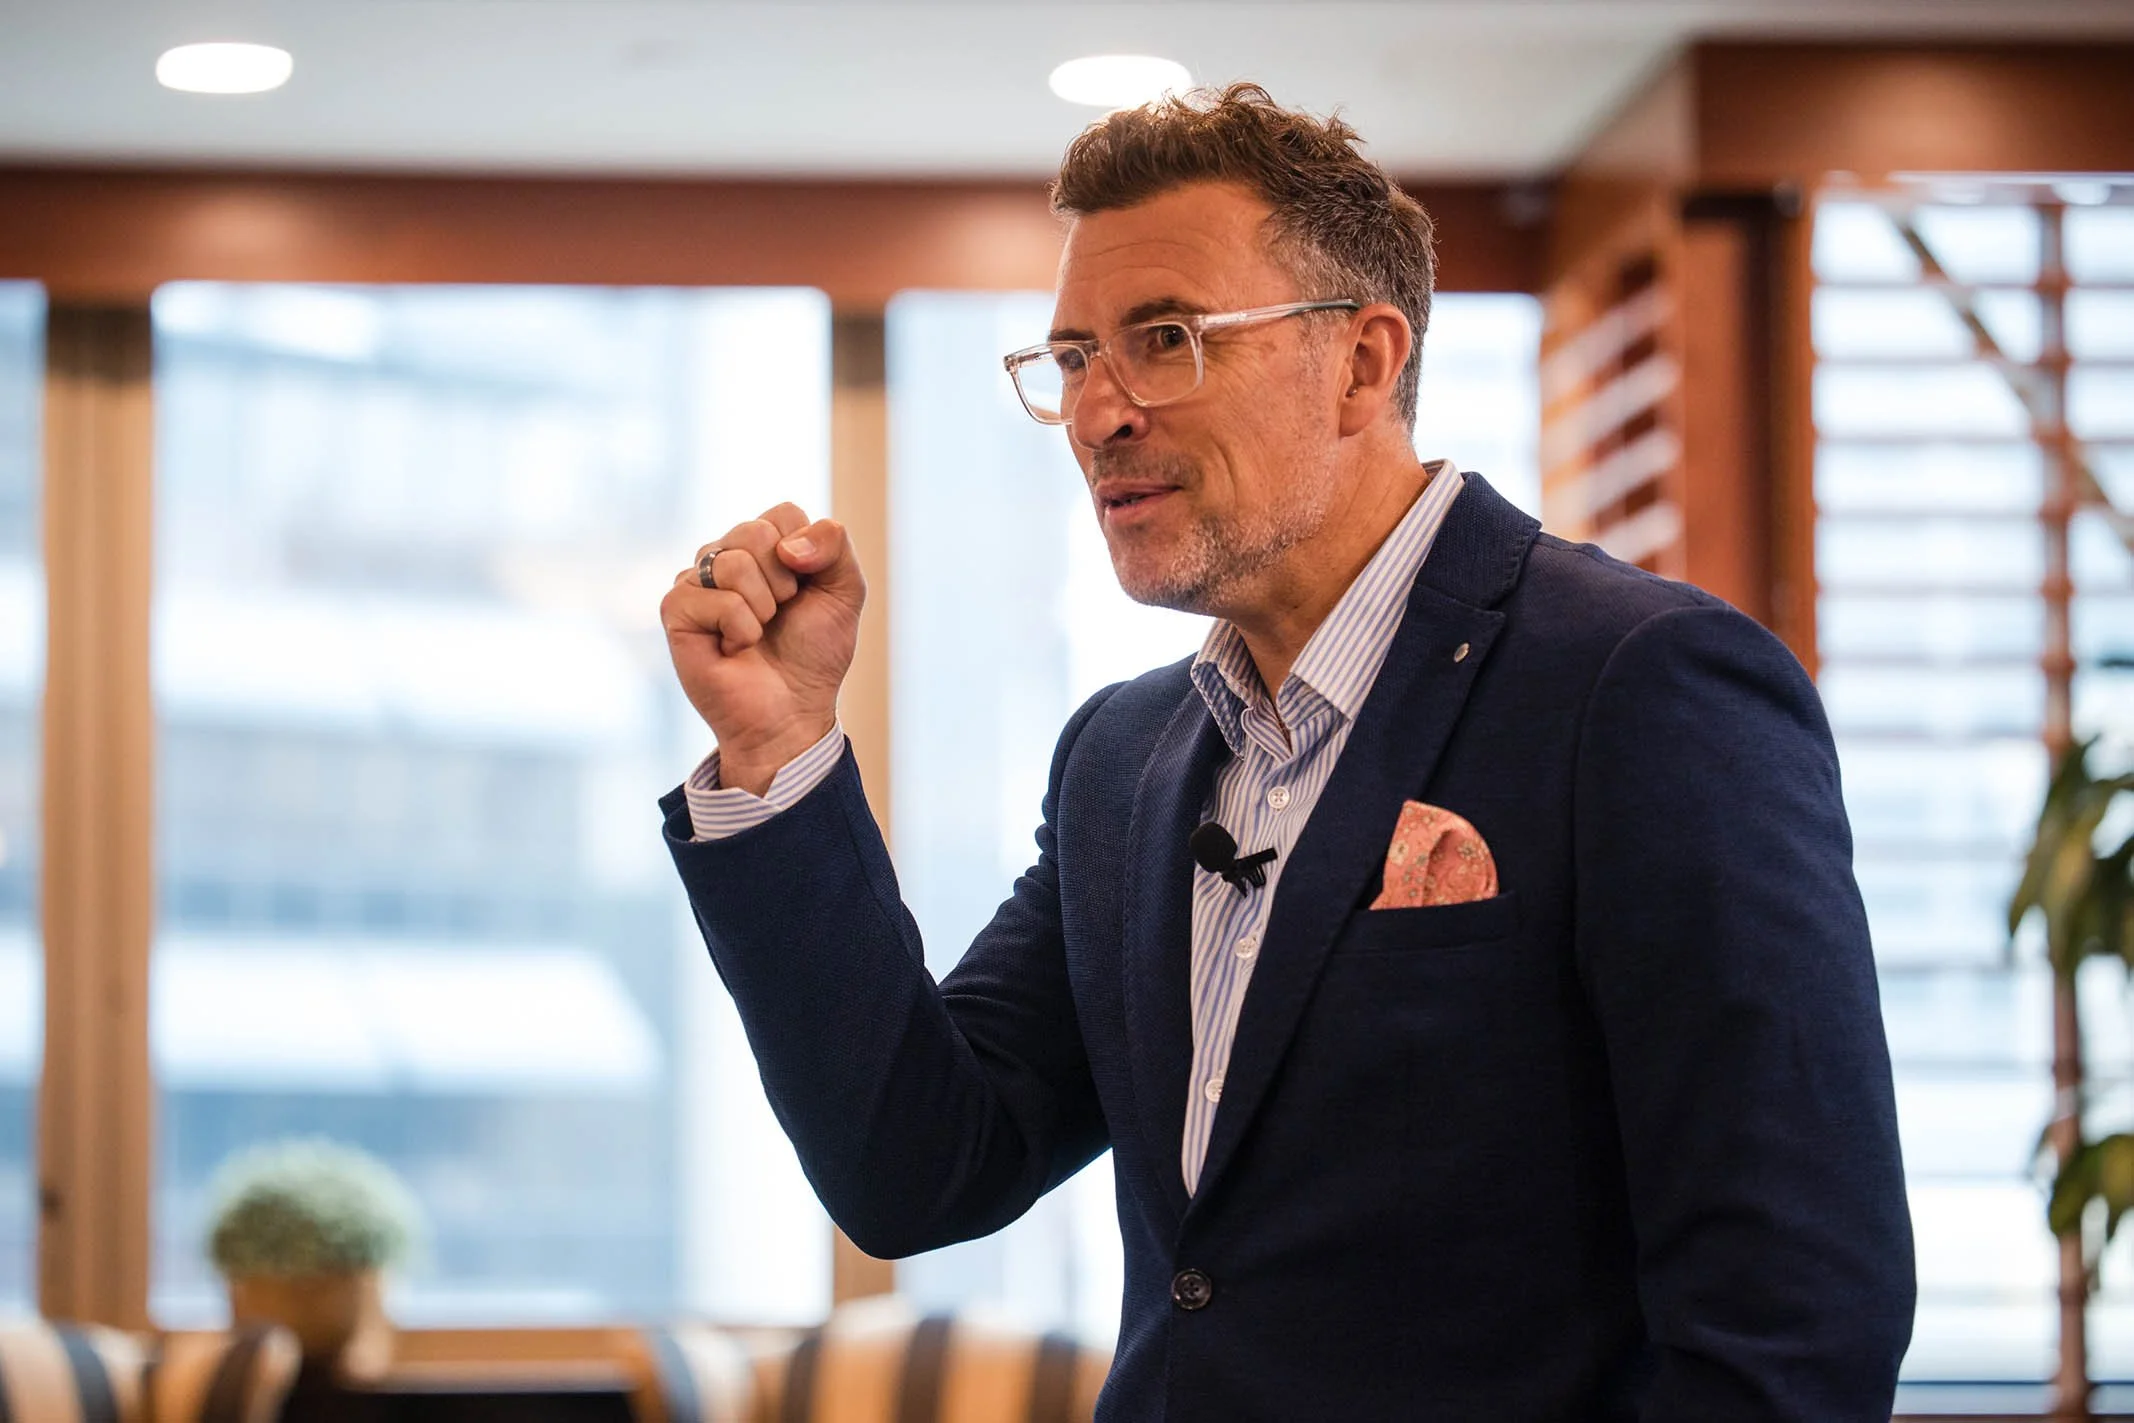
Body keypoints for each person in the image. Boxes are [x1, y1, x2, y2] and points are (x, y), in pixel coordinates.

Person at [658, 84, 1915, 1421]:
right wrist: (775, 747)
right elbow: (918, 1165)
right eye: (1075, 357)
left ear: (1363, 365)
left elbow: (1793, 1321)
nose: (1097, 413)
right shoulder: (1123, 760)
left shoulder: (1640, 685)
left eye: (1165, 338)